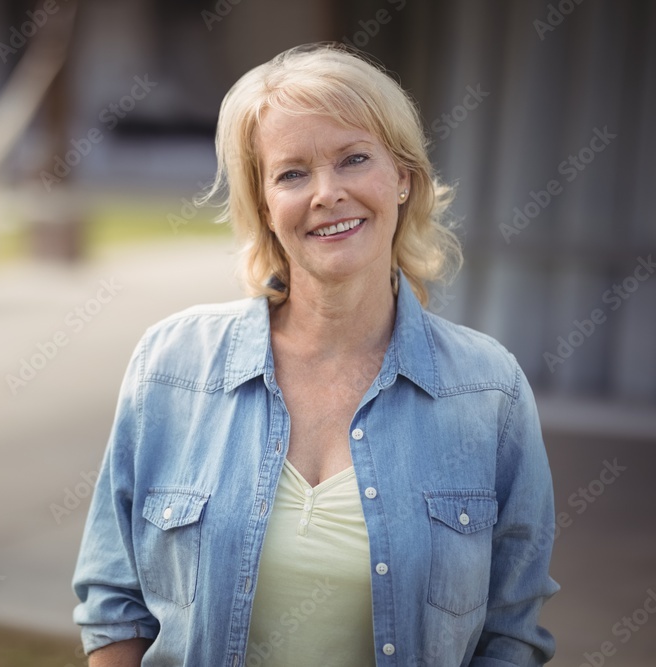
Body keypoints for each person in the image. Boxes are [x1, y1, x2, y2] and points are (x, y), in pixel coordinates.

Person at [72, 43, 558, 666]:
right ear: (265, 206)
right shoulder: (171, 366)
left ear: (403, 178)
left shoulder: (489, 389)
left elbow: (511, 632)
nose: (327, 193)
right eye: (292, 173)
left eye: (354, 159)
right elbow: (114, 604)